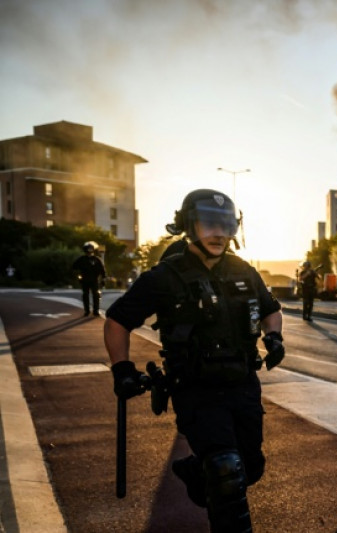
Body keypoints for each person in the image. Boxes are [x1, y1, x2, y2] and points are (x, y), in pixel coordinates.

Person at [104, 189, 284, 532]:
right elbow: (117, 321)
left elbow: (272, 311)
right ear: (188, 225)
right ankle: (211, 474)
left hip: (243, 385)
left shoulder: (245, 271)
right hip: (196, 389)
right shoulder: (164, 277)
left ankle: (194, 470)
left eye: (227, 225)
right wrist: (122, 369)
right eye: (208, 223)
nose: (219, 232)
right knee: (225, 471)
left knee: (250, 468)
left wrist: (273, 337)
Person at [72, 241, 106, 316]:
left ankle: (95, 311)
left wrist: (103, 278)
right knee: (85, 295)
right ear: (85, 250)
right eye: (88, 250)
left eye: (91, 249)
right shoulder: (81, 259)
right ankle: (87, 311)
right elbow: (74, 267)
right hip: (85, 280)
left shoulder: (97, 259)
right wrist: (78, 275)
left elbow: (102, 270)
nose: (89, 252)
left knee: (96, 295)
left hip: (94, 280)